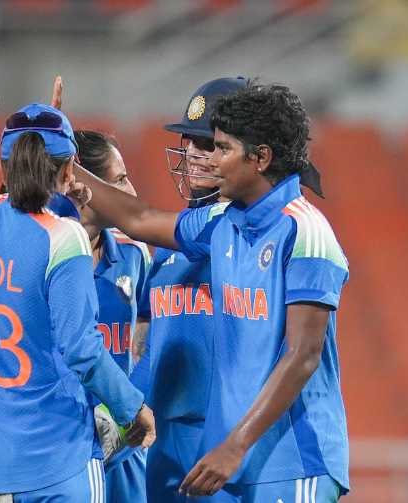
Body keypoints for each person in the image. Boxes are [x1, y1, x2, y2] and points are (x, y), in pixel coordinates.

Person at [71, 82, 348, 502]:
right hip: (227, 460)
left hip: (292, 460)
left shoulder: (306, 231)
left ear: (260, 157)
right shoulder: (223, 222)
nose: (209, 160)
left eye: (222, 148)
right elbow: (140, 218)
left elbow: (302, 355)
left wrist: (235, 447)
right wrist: (63, 163)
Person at [0, 103, 156, 502]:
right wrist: (133, 408)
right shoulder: (65, 238)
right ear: (69, 169)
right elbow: (81, 351)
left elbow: (19, 223)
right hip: (54, 459)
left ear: (5, 166)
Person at [130, 77, 247, 503]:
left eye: (208, 144)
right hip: (163, 441)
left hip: (222, 439)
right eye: (190, 141)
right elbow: (149, 345)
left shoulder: (248, 236)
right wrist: (126, 406)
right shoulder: (166, 249)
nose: (194, 153)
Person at [74, 129, 151, 503]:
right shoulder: (41, 254)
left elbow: (147, 323)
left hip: (124, 443)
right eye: (119, 180)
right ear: (87, 187)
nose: (132, 191)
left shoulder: (134, 253)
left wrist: (131, 401)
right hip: (64, 443)